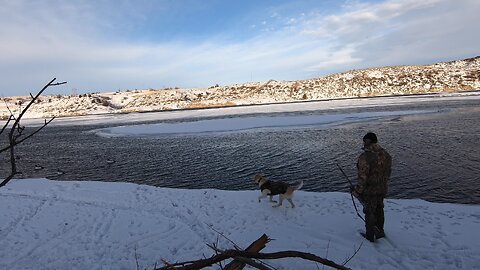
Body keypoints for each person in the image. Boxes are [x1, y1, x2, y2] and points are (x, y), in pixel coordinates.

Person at [351, 132, 392, 242]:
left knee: (369, 211)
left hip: (370, 191)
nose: (363, 143)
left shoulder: (365, 157)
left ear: (367, 141)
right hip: (382, 189)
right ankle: (380, 231)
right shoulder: (386, 154)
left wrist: (357, 191)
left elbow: (362, 177)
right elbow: (388, 173)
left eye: (364, 141)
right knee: (379, 209)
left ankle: (370, 236)